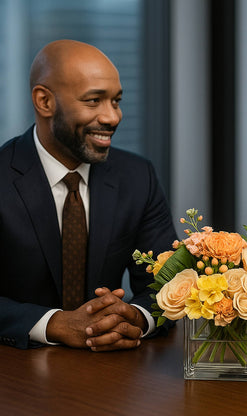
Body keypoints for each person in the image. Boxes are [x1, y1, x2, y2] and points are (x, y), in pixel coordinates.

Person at [0, 39, 177, 351]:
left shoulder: (138, 176)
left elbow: (165, 285)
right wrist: (54, 324)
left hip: (112, 374)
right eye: (94, 101)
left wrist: (134, 317)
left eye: (116, 101)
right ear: (44, 101)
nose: (112, 118)